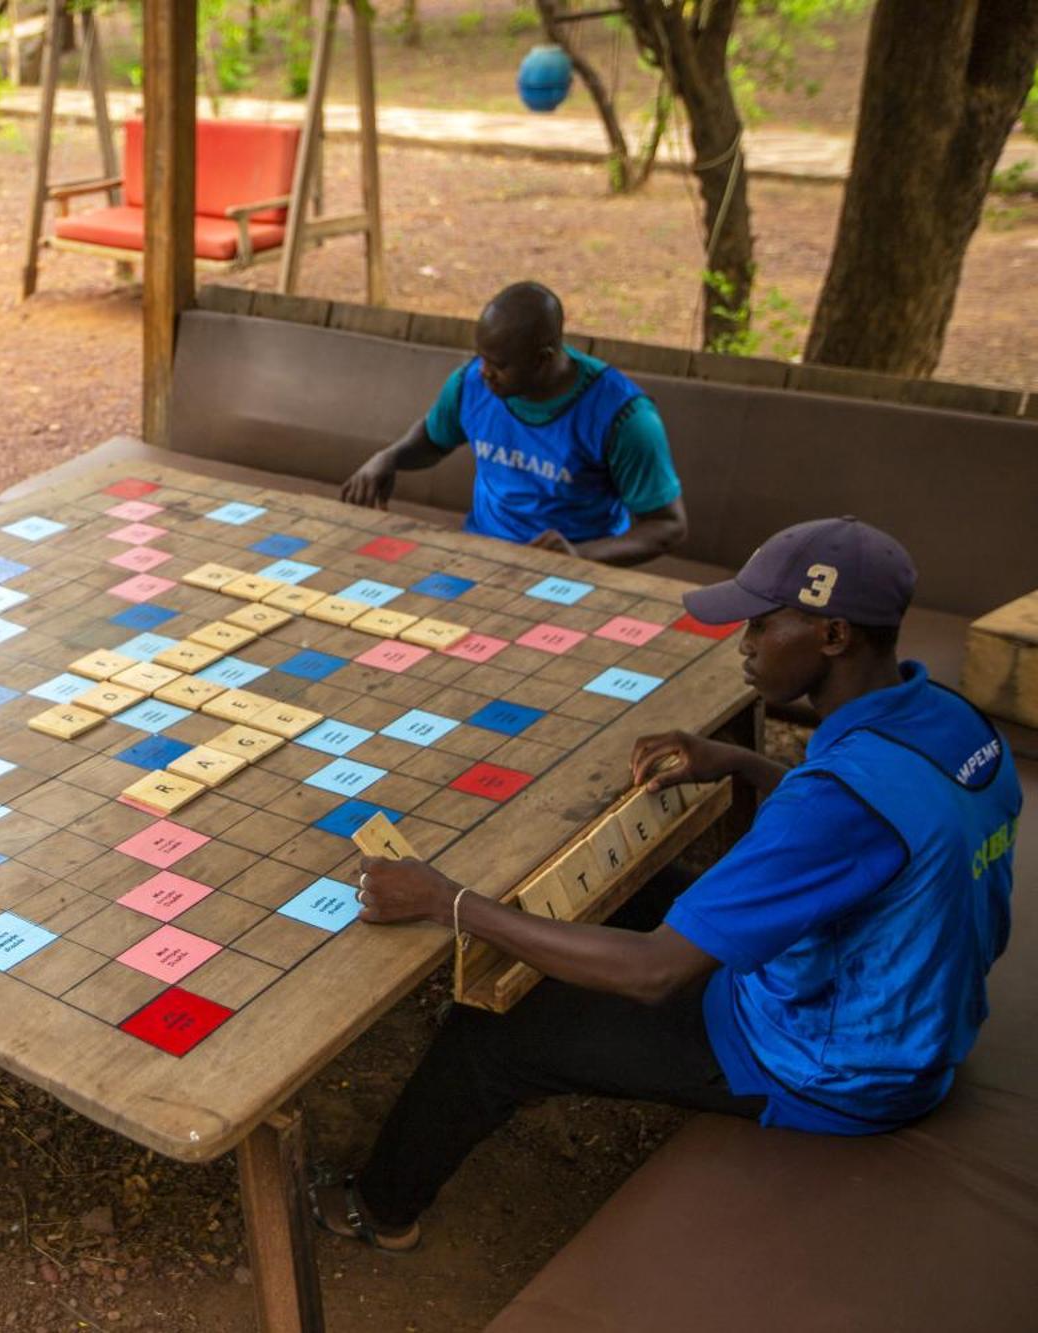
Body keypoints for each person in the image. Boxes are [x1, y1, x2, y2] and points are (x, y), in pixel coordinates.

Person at [315, 517, 1019, 1252]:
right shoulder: (949, 717)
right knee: (626, 894)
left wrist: (448, 901)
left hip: (836, 1067)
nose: (743, 640)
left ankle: (378, 1208)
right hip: (913, 1006)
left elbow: (656, 972)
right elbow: (878, 837)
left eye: (762, 622)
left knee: (487, 1037)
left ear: (835, 636)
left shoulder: (836, 801)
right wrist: (742, 763)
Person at [339, 281, 688, 567]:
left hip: (575, 573)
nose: (484, 372)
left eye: (499, 364)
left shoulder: (623, 416)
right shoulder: (471, 384)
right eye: (481, 358)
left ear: (543, 359)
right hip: (479, 557)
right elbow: (433, 439)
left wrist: (579, 557)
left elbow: (667, 526)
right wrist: (389, 458)